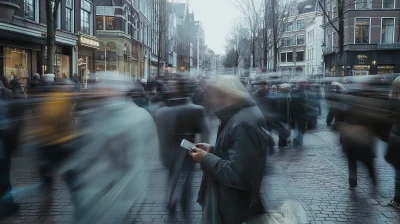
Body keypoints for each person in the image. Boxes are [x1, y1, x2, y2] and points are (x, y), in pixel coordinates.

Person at [189, 76, 270, 224]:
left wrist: (205, 158)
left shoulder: (241, 124)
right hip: (230, 205)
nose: (210, 102)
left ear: (225, 96)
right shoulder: (241, 115)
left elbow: (239, 176)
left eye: (213, 97)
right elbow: (239, 155)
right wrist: (212, 150)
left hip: (230, 208)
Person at [155, 79, 209, 220]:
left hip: (169, 157)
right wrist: (198, 151)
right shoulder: (196, 110)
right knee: (186, 186)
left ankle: (172, 210)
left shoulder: (161, 112)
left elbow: (160, 135)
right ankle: (184, 213)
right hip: (186, 155)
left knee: (172, 182)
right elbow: (204, 135)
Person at [0, 81, 19, 218]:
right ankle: (7, 206)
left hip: (4, 145)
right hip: (3, 145)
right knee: (4, 176)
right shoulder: (5, 101)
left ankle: (8, 205)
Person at [385, 77, 400, 208]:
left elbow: (387, 118)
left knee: (398, 169)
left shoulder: (393, 101)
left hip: (396, 136)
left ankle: (398, 199)